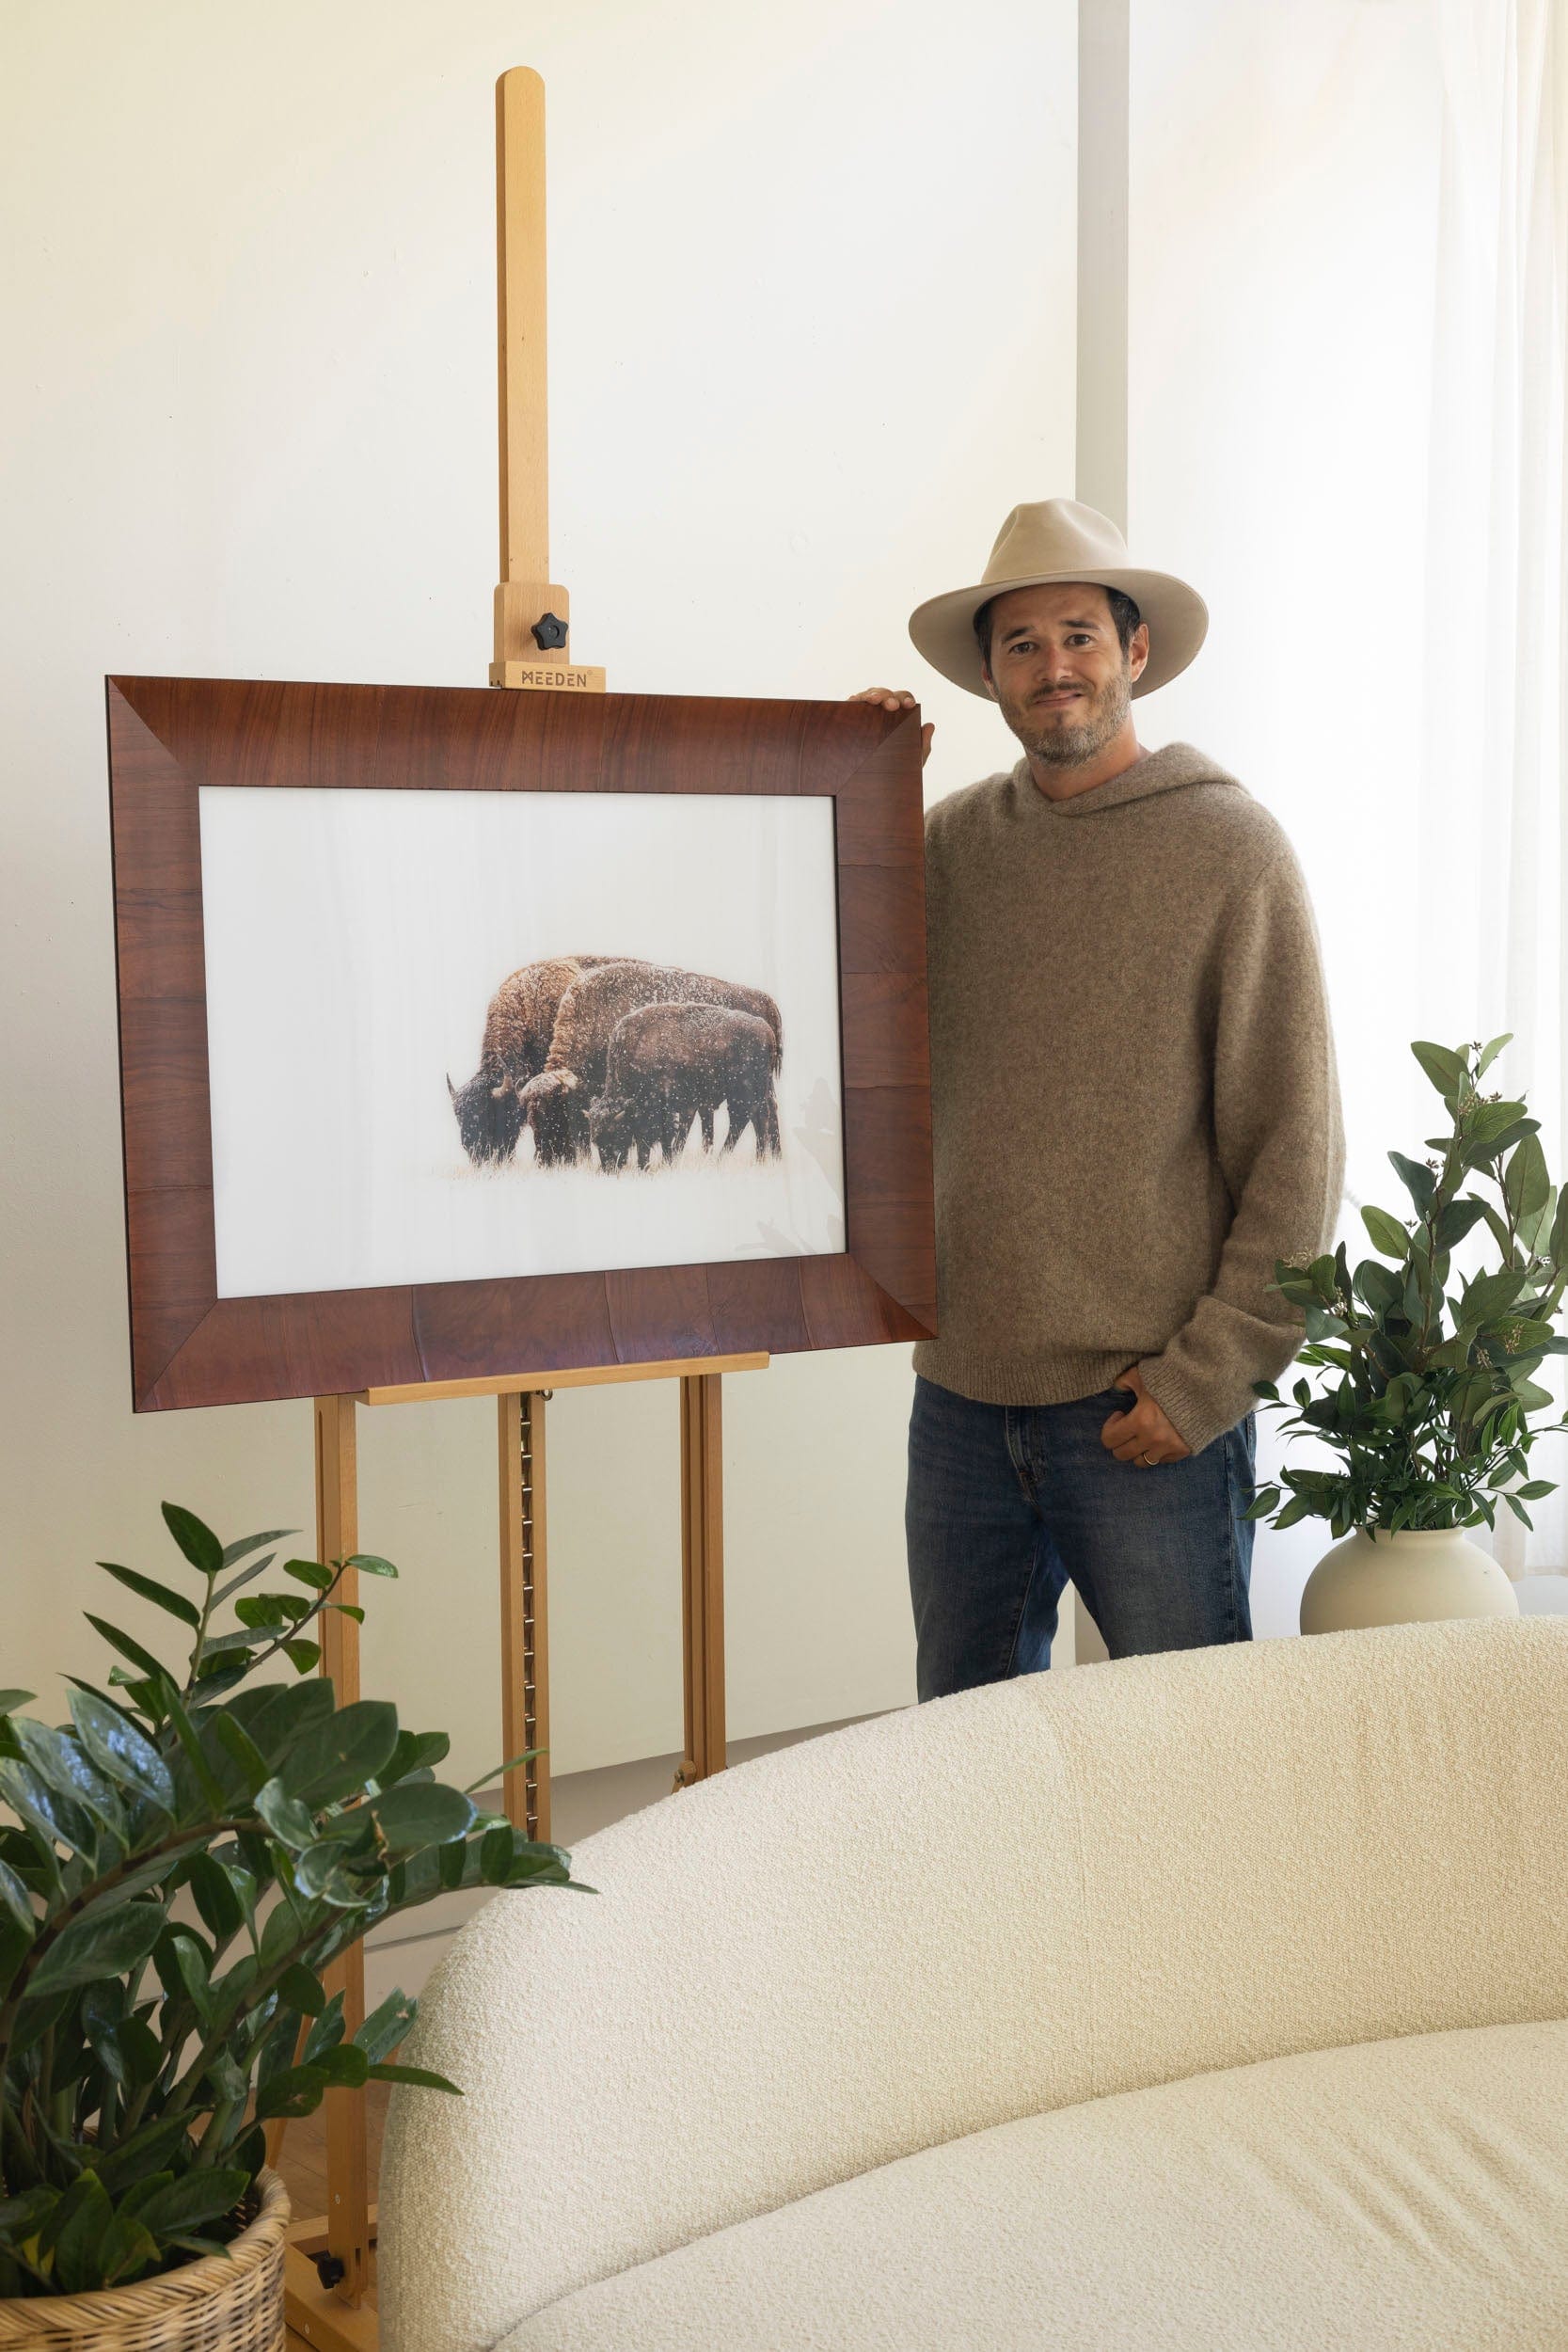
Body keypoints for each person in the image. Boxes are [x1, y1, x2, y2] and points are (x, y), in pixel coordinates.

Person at [852, 498, 1344, 1697]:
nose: (1052, 666)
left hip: (1144, 1410)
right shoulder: (946, 847)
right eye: (1020, 645)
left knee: (1185, 1765)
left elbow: (1297, 1145)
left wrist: (1205, 1381)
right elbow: (824, 1004)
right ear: (989, 677)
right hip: (961, 1405)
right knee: (963, 1764)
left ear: (1133, 653)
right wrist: (851, 791)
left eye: (1077, 634)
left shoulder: (1229, 850)